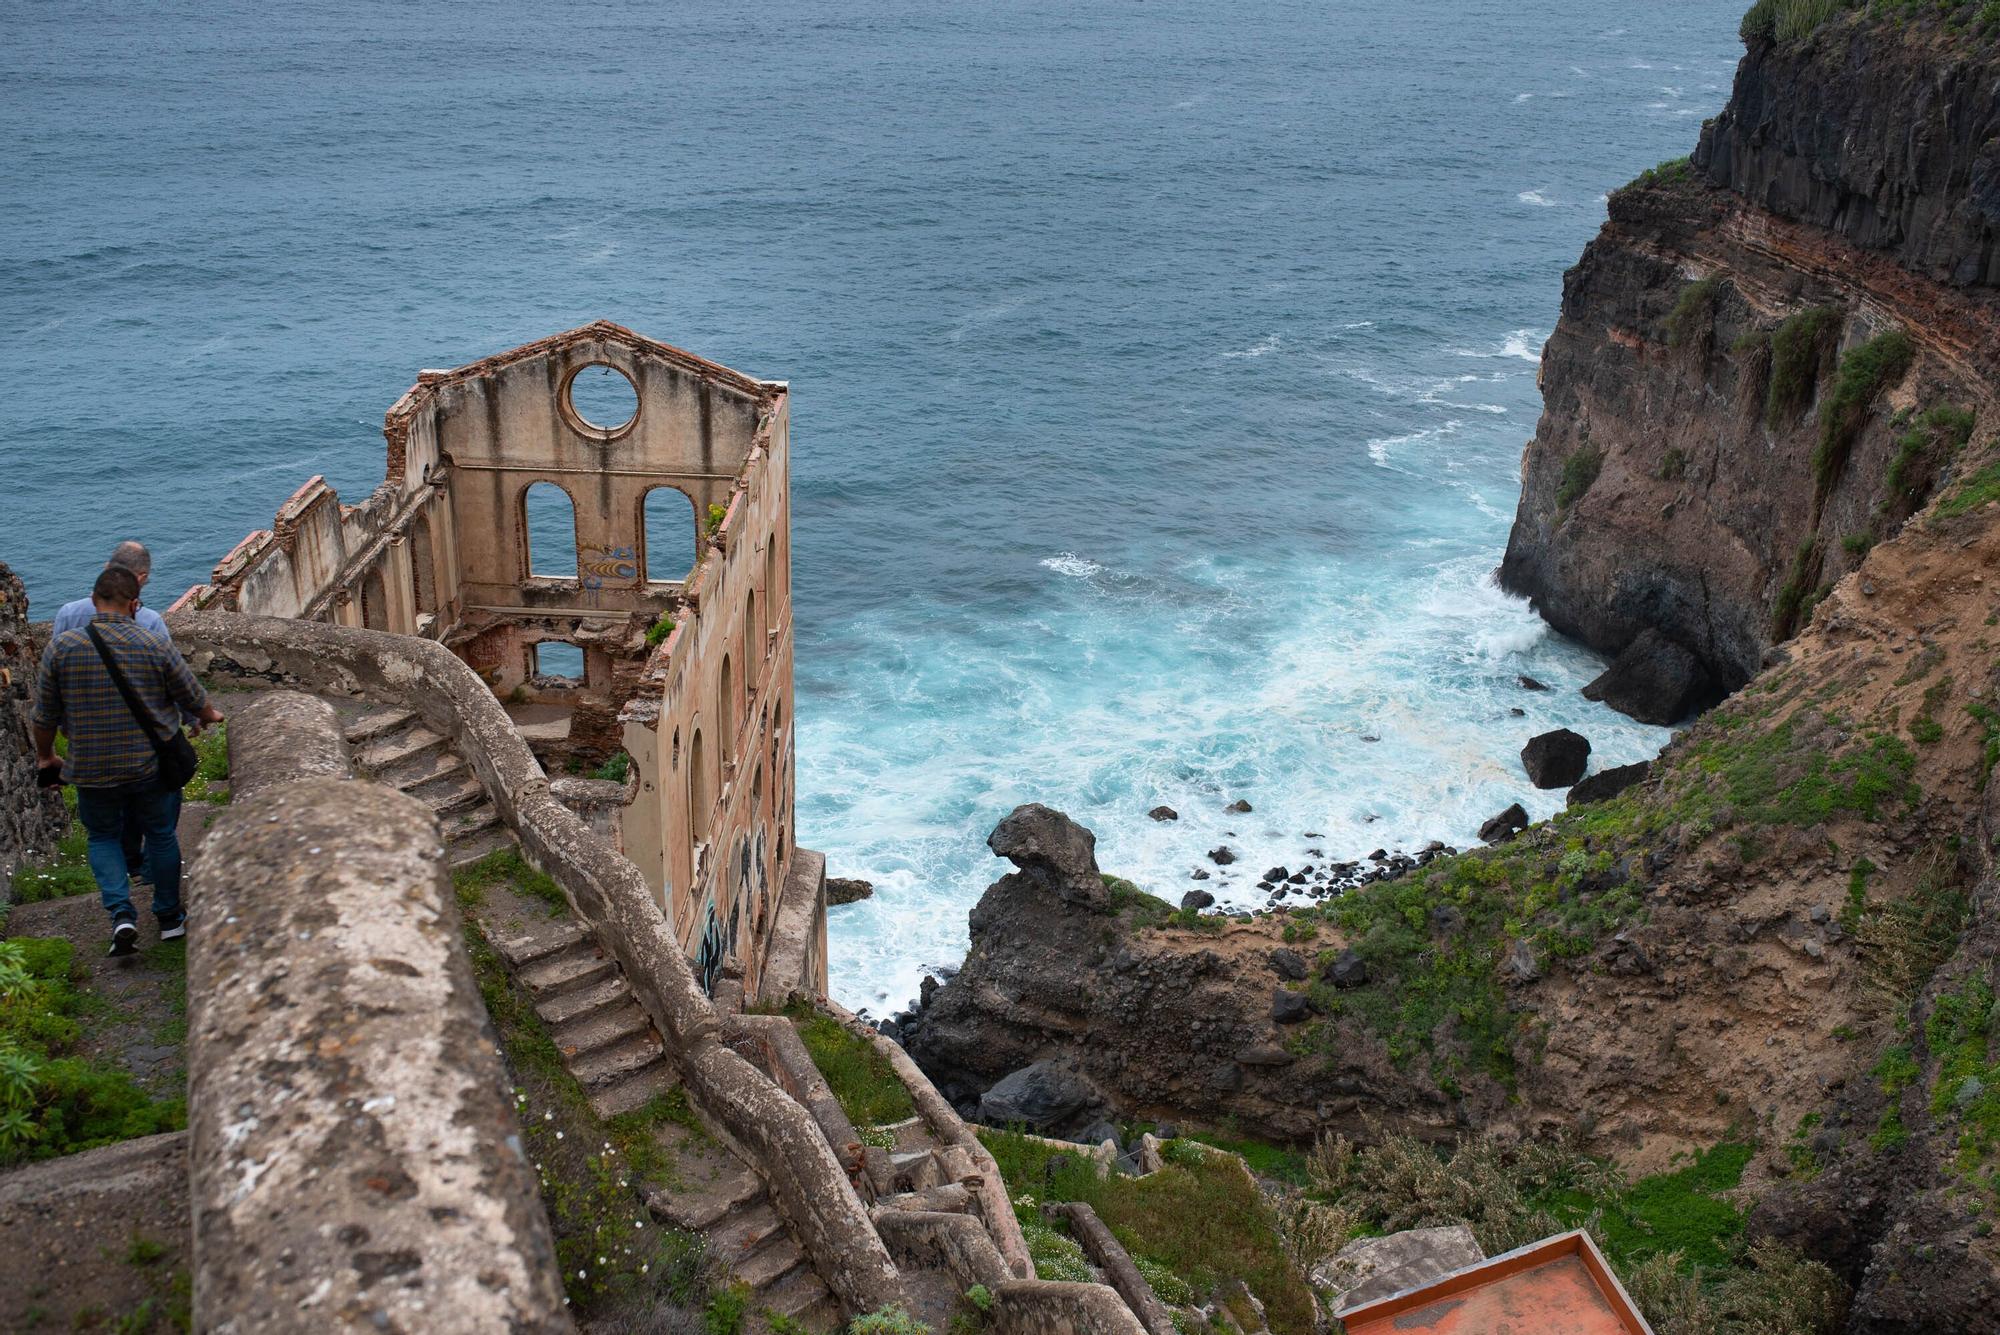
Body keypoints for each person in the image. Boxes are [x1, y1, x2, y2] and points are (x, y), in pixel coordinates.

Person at [33, 565, 223, 956]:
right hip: (149, 765)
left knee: (102, 837)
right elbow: (192, 697)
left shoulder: (63, 647)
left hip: (90, 768)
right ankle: (169, 917)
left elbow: (43, 715)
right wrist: (210, 716)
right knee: (160, 835)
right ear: (134, 604)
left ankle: (121, 913)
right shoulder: (153, 643)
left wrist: (46, 756)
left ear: (95, 601)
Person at [53, 542, 180, 891]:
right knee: (158, 822)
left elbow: (52, 684)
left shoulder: (66, 616)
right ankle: (161, 898)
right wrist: (193, 718)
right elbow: (174, 679)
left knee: (103, 829)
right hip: (143, 741)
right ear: (138, 581)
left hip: (88, 741)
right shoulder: (150, 622)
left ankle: (121, 903)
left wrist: (48, 748)